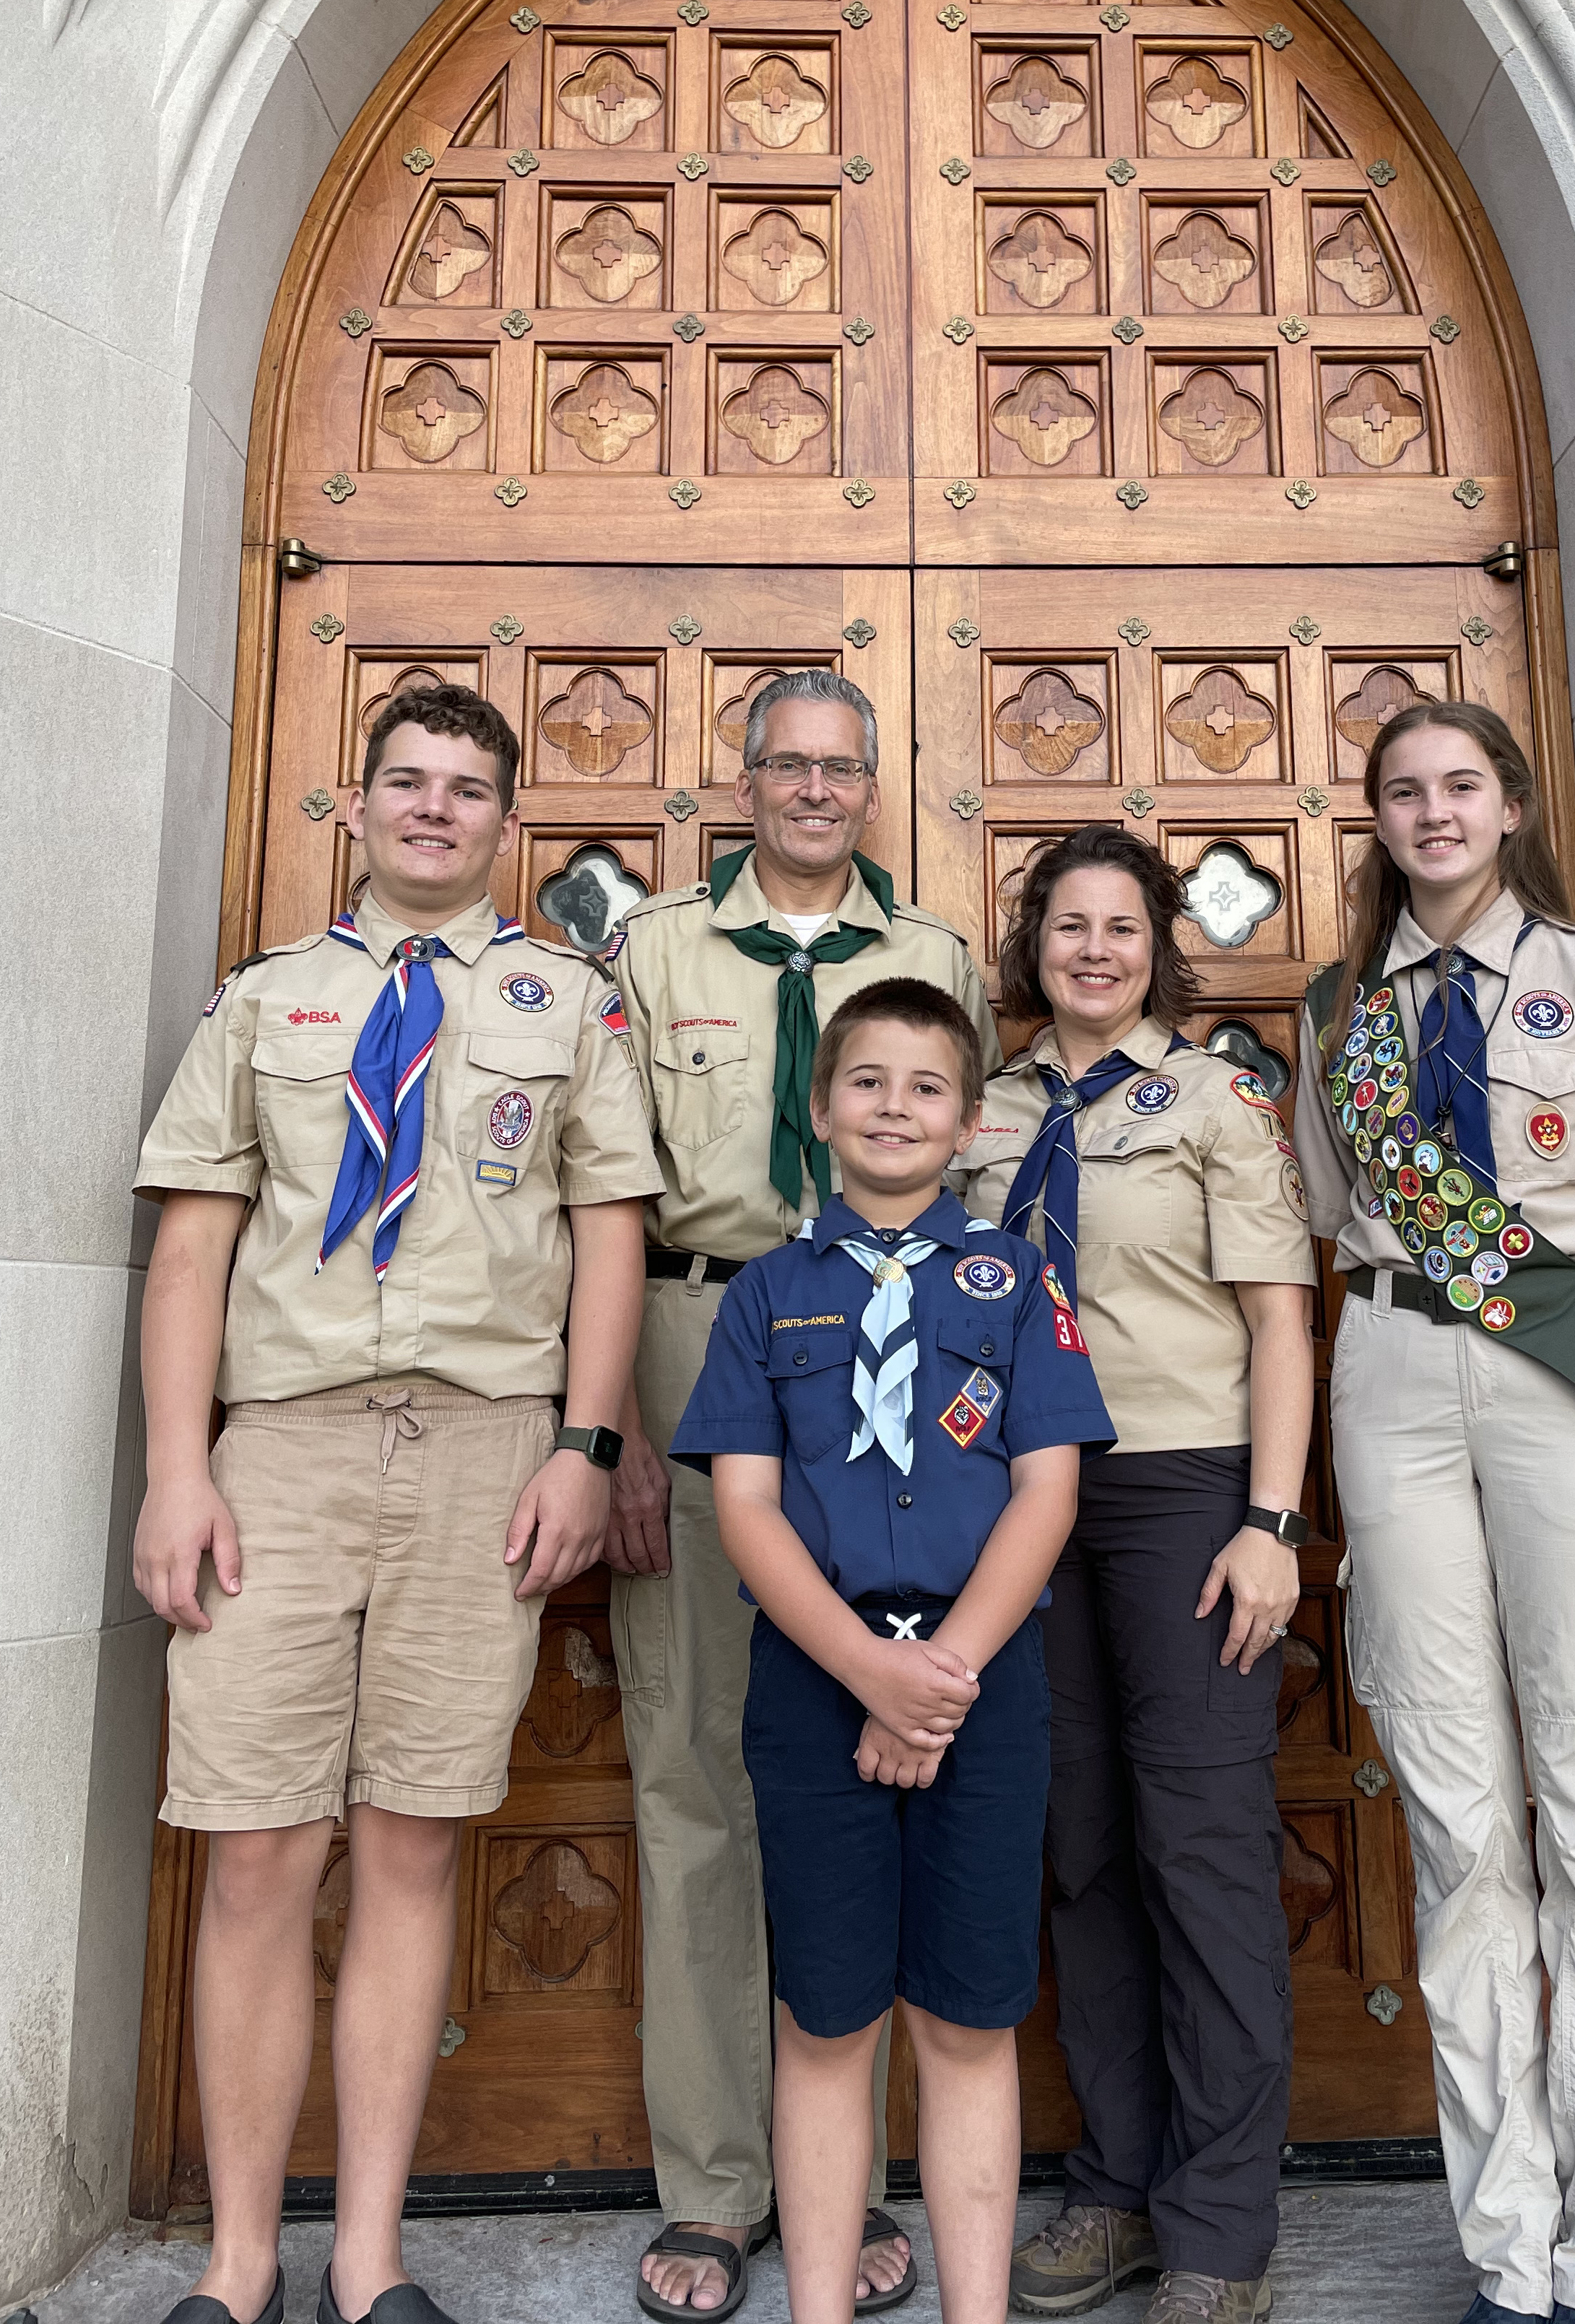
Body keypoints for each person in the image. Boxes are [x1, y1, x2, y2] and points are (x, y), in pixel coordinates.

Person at [130, 682, 656, 2324]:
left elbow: (611, 1231)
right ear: (354, 808)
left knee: (416, 1844)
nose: (435, 809)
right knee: (258, 1855)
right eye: (408, 783)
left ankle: (368, 2262)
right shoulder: (264, 1002)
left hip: (486, 1446)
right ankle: (236, 2267)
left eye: (468, 790)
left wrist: (585, 1444)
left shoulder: (567, 999)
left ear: (506, 824)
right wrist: (175, 1469)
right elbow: (198, 1241)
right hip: (276, 1450)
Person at [1289, 700, 1575, 2324]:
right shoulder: (1341, 1009)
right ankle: (1508, 2256)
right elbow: (1335, 1218)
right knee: (1462, 1838)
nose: (1434, 811)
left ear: (1512, 804)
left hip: (1563, 1380)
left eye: (1462, 784)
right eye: (1404, 791)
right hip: (1392, 1371)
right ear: (1379, 819)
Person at [607, 669, 1002, 2319]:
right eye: (791, 766)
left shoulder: (938, 961)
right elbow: (608, 1195)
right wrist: (614, 1429)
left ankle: (866, 2188)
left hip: (889, 1369)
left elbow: (969, 1207)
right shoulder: (655, 953)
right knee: (700, 1767)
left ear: (872, 787)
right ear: (743, 778)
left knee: (884, 1761)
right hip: (702, 1338)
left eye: (846, 770)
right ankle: (717, 2188)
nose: (819, 792)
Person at [672, 978, 1116, 2324]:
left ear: (972, 1122)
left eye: (928, 1088)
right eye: (866, 1082)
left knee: (971, 2022)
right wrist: (870, 1676)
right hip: (816, 1687)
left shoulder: (1017, 1282)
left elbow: (1048, 1490)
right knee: (826, 2020)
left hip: (985, 1685)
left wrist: (938, 1682)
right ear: (821, 1111)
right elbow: (744, 1504)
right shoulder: (765, 1295)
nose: (895, 1108)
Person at [953, 825, 1319, 2324]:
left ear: (1159, 947)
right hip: (1021, 1495)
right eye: (1066, 926)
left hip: (1182, 1492)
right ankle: (1115, 2187)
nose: (1092, 951)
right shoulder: (981, 1108)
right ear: (1032, 945)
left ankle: (1223, 2225)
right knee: (1082, 1846)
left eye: (1120, 928)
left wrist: (1273, 1524)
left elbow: (1282, 1324)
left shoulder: (1219, 1100)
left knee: (1204, 1848)